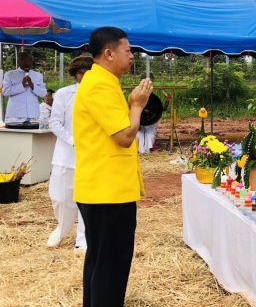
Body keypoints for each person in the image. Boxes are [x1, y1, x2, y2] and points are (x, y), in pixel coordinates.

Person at [74, 27, 152, 307]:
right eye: (127, 50)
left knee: (101, 263)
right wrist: (137, 106)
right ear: (108, 53)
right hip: (106, 193)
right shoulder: (99, 86)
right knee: (110, 267)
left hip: (105, 190)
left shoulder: (104, 82)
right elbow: (124, 136)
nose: (132, 56)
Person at [47, 56, 94, 250]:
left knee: (87, 200)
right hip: (65, 155)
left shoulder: (99, 94)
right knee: (59, 197)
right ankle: (62, 229)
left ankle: (83, 241)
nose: (84, 76)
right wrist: (73, 141)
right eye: (81, 72)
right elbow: (54, 123)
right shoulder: (64, 93)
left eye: (88, 72)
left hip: (91, 155)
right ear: (75, 74)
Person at [2, 51, 47, 120]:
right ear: (19, 61)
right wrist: (22, 85)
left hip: (33, 114)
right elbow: (5, 92)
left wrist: (32, 85)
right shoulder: (10, 74)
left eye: (30, 60)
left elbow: (43, 94)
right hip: (15, 115)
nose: (27, 63)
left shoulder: (38, 75)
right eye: (25, 60)